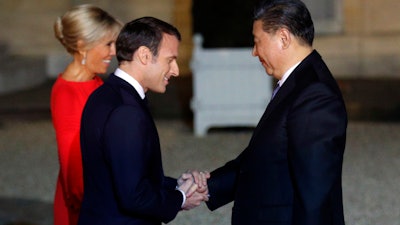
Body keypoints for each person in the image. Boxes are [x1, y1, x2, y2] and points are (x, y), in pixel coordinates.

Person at [203, 0, 348, 224]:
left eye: (257, 41)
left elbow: (314, 193)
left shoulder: (315, 95)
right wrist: (207, 187)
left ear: (283, 38)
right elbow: (265, 156)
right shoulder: (296, 82)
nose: (254, 52)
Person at [78, 17, 209, 225]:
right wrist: (181, 198)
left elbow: (125, 174)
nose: (175, 70)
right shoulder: (127, 111)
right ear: (144, 56)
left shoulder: (104, 94)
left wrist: (176, 185)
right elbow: (134, 197)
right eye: (170, 60)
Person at [51, 4, 122, 225]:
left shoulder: (93, 80)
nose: (113, 52)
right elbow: (73, 164)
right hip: (88, 207)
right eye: (108, 44)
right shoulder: (68, 93)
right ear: (82, 45)